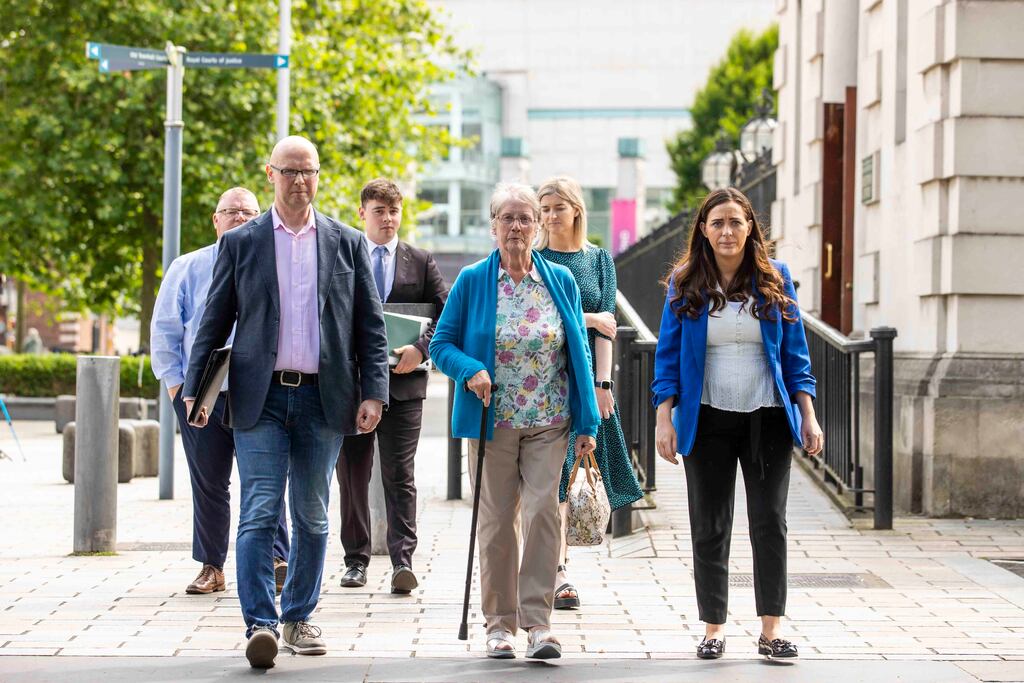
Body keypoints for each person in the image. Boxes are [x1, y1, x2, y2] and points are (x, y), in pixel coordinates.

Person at [182, 136, 390, 669]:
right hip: (260, 399)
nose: (300, 181)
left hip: (325, 398)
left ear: (319, 177)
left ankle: (298, 615)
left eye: (309, 172)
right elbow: (213, 321)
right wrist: (194, 388)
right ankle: (261, 624)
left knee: (313, 514)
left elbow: (370, 325)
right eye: (290, 171)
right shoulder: (243, 242)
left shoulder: (346, 243)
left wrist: (374, 392)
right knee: (258, 509)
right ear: (270, 173)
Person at [651, 187, 823, 661]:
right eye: (717, 223)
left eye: (735, 222)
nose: (727, 231)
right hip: (706, 419)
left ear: (750, 228)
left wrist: (807, 414)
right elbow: (666, 359)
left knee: (770, 522)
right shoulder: (685, 282)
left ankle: (772, 630)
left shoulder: (775, 279)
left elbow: (796, 357)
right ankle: (713, 629)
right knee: (710, 524)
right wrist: (665, 418)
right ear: (703, 231)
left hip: (767, 417)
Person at [430, 182, 600, 660]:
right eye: (508, 218)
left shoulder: (559, 281)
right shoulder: (471, 281)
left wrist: (587, 420)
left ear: (539, 224)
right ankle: (500, 625)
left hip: (550, 418)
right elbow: (441, 345)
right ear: (493, 226)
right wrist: (472, 370)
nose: (517, 226)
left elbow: (578, 353)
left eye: (526, 217)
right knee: (498, 522)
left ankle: (539, 624)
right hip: (492, 422)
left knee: (545, 513)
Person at [151, 187, 291, 596]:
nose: (239, 219)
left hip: (259, 391)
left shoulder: (275, 267)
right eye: (230, 212)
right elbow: (165, 332)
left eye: (248, 212)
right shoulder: (187, 267)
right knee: (209, 482)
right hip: (202, 395)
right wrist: (179, 389)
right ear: (215, 220)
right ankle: (212, 565)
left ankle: (277, 558)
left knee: (265, 477)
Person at [335, 178, 448, 593]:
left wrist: (422, 347)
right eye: (379, 211)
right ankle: (356, 561)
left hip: (404, 387)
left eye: (394, 211)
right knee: (351, 474)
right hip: (351, 386)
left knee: (400, 474)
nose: (387, 218)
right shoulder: (342, 255)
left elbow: (446, 313)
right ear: (362, 213)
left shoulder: (419, 261)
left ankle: (403, 561)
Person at [536, 176, 643, 611]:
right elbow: (542, 316)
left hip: (586, 383)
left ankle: (559, 568)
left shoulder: (598, 259)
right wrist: (592, 317)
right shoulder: (537, 259)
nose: (549, 216)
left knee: (578, 469)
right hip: (545, 378)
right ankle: (556, 572)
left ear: (576, 210)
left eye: (557, 207)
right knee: (553, 481)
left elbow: (609, 329)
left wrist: (604, 385)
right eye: (543, 208)